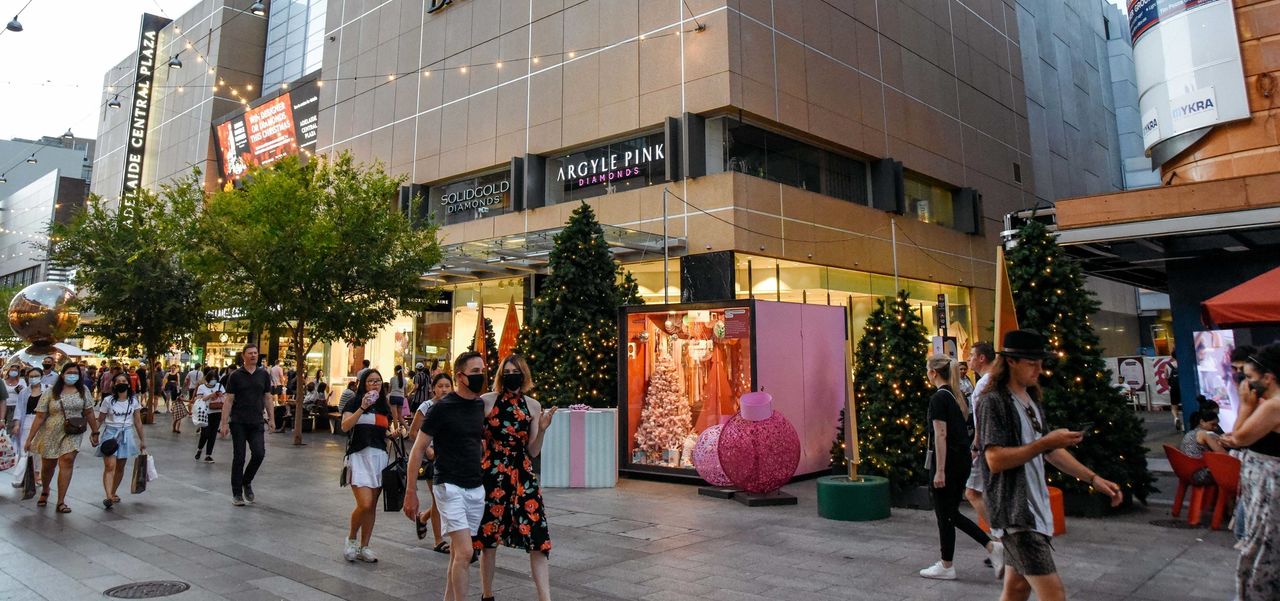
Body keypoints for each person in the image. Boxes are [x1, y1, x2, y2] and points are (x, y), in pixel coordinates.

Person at [978, 330, 1123, 601]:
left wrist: (1093, 479)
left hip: (1033, 510)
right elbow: (994, 460)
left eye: (1040, 363)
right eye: (1031, 363)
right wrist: (1045, 443)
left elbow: (1051, 451)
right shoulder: (994, 401)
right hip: (1017, 514)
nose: (1039, 369)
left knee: (1017, 589)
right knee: (1054, 594)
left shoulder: (1030, 399)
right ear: (1011, 361)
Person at [404, 352, 487, 601]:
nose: (481, 375)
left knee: (458, 554)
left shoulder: (480, 405)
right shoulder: (442, 408)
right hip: (448, 485)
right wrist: (411, 491)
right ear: (460, 376)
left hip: (475, 486)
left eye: (483, 370)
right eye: (475, 372)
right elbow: (418, 448)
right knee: (466, 553)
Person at [477, 355, 556, 601]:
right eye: (507, 371)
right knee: (489, 539)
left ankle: (545, 598)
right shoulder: (487, 401)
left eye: (516, 371)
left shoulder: (532, 405)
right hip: (493, 474)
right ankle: (487, 595)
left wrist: (542, 429)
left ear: (524, 374)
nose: (512, 375)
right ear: (501, 375)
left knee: (537, 536)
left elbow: (533, 450)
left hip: (522, 474)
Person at [920, 354, 1001, 581]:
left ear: (933, 373)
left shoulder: (939, 398)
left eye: (927, 370)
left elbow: (940, 434)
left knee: (945, 514)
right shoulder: (956, 396)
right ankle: (984, 549)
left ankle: (950, 564)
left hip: (948, 463)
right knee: (950, 514)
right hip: (960, 461)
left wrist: (940, 470)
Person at [1221, 343, 1280, 600]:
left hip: (1269, 484)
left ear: (1268, 378)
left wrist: (1245, 406)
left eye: (1249, 377)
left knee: (1261, 541)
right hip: (1263, 481)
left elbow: (1239, 437)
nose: (1245, 383)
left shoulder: (1272, 406)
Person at [25, 364, 100, 514]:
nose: (72, 375)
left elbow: (89, 412)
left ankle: (61, 501)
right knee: (48, 465)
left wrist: (95, 432)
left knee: (67, 460)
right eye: (69, 372)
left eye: (75, 373)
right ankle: (45, 489)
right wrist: (29, 438)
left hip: (73, 430)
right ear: (62, 374)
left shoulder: (83, 390)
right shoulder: (51, 391)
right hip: (50, 431)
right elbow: (40, 416)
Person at [340, 369, 393, 562]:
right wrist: (362, 407)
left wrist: (393, 434)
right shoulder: (354, 402)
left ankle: (365, 546)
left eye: (378, 381)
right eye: (371, 381)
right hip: (359, 456)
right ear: (363, 384)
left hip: (379, 457)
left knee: (372, 507)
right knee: (365, 503)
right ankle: (351, 539)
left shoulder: (383, 406)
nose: (375, 384)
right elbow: (345, 426)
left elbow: (384, 431)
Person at [219, 343, 273, 506]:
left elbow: (267, 397)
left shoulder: (263, 374)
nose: (253, 355)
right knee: (239, 457)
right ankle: (237, 493)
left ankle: (246, 481)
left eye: (255, 353)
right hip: (238, 422)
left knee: (259, 453)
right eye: (250, 353)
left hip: (256, 421)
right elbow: (228, 400)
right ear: (243, 356)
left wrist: (272, 418)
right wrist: (224, 423)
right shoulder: (235, 376)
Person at [408, 373, 454, 553]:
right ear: (433, 388)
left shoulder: (455, 405)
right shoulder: (426, 407)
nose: (444, 389)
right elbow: (413, 432)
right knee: (437, 497)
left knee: (445, 498)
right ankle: (438, 540)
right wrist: (427, 450)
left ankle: (423, 517)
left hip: (451, 457)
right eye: (440, 386)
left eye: (447, 386)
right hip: (432, 458)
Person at [96, 372, 145, 510]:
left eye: (124, 381)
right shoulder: (108, 401)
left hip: (126, 434)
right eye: (118, 381)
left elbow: (138, 421)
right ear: (113, 384)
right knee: (109, 466)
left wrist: (142, 440)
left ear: (128, 384)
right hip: (110, 434)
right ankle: (108, 496)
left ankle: (113, 491)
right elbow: (100, 419)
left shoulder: (133, 401)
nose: (121, 383)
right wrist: (94, 432)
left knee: (120, 467)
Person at [964, 342, 997, 545]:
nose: (968, 359)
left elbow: (981, 419)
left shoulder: (984, 384)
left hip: (986, 444)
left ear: (981, 358)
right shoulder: (994, 379)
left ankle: (1000, 535)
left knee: (972, 491)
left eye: (971, 355)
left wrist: (975, 446)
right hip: (994, 444)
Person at [8, 366, 38, 488]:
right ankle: (21, 477)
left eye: (36, 376)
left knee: (37, 452)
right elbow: (19, 409)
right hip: (26, 422)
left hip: (41, 423)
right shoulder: (24, 392)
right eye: (31, 376)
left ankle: (37, 475)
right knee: (24, 450)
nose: (34, 378)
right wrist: (17, 424)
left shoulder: (47, 391)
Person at [1179, 410, 1225, 485]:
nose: (1216, 428)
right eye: (1213, 424)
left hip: (1186, 471)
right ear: (1202, 422)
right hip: (1199, 474)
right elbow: (1223, 453)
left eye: (1217, 425)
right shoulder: (1204, 434)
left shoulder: (1191, 433)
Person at [195, 368, 226, 463]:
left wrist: (220, 395)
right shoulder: (202, 387)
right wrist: (210, 396)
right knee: (205, 433)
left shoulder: (220, 386)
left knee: (213, 434)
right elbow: (199, 399)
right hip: (205, 413)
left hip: (217, 412)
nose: (214, 381)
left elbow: (225, 398)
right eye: (212, 379)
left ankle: (208, 455)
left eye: (215, 379)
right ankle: (200, 449)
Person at [167, 366, 187, 433]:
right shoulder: (174, 390)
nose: (177, 383)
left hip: (177, 404)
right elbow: (179, 398)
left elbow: (180, 396)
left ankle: (176, 429)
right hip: (176, 404)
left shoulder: (177, 389)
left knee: (178, 418)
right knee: (177, 418)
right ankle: (175, 428)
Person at [269, 360, 285, 432]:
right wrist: (283, 383)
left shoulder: (272, 368)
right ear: (279, 363)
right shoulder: (279, 368)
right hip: (277, 383)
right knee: (276, 393)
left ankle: (274, 403)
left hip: (272, 383)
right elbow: (281, 376)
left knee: (273, 393)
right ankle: (276, 403)